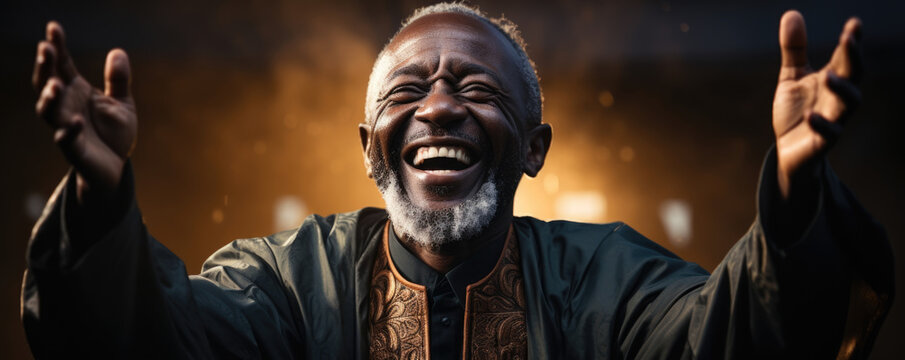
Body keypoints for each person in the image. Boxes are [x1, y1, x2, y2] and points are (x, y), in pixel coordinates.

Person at [22, 2, 893, 359]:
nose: (438, 107)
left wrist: (791, 196)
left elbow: (734, 341)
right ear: (371, 149)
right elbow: (153, 339)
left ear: (533, 148)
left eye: (476, 90)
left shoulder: (613, 281)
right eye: (409, 91)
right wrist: (102, 205)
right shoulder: (286, 280)